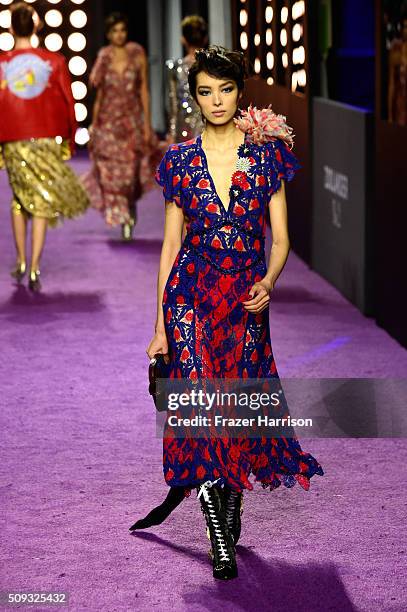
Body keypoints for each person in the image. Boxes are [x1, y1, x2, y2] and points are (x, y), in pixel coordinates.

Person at [136, 46, 324, 581]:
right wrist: (158, 328)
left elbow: (281, 238)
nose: (215, 101)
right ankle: (219, 534)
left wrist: (268, 281)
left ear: (239, 93)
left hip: (244, 300)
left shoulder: (267, 156)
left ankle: (229, 500)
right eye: (205, 91)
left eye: (225, 90)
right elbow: (170, 249)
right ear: (193, 97)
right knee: (201, 411)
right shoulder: (178, 160)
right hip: (190, 296)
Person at [0, 2, 89, 292]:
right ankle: (35, 266)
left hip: (13, 139)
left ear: (12, 28)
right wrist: (71, 137)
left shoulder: (2, 63)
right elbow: (68, 100)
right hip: (46, 138)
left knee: (18, 199)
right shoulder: (54, 61)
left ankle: (22, 261)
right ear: (36, 26)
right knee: (40, 200)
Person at [82, 12, 157, 241]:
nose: (119, 35)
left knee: (131, 172)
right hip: (108, 121)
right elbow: (99, 91)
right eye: (114, 31)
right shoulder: (104, 55)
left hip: (131, 120)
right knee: (111, 172)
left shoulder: (137, 53)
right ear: (108, 34)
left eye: (122, 30)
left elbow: (144, 89)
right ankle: (122, 216)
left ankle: (130, 208)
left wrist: (146, 123)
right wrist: (94, 125)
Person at [165, 15, 207, 144]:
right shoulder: (212, 65)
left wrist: (172, 133)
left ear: (183, 39)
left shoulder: (175, 68)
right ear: (205, 39)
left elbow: (172, 105)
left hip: (183, 129)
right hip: (209, 125)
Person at [387, 13, 407, 126]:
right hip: (401, 105)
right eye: (404, 26)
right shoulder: (396, 48)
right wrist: (390, 116)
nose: (406, 30)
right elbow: (391, 84)